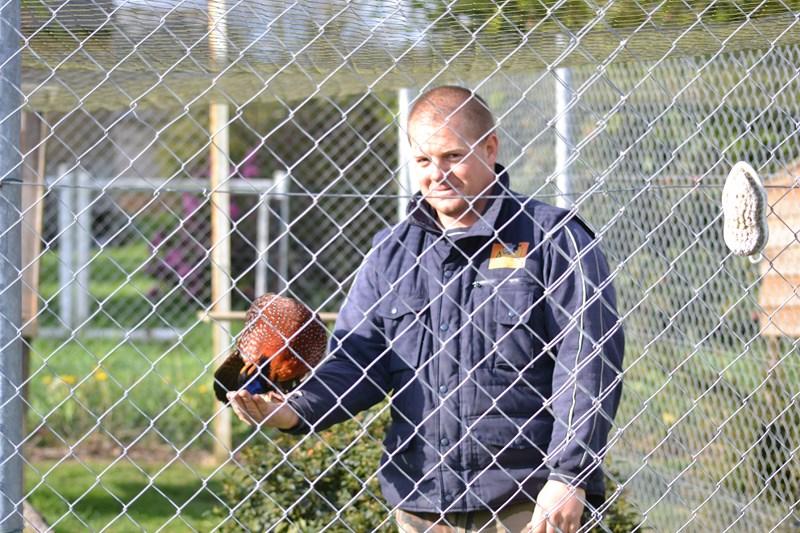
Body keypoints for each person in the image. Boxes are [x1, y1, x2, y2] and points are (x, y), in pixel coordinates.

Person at [227, 85, 625, 533]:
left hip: (527, 502)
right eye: (422, 160)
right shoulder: (390, 254)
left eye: (453, 156)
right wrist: (293, 411)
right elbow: (355, 363)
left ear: (490, 148)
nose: (438, 174)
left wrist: (569, 475)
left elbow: (588, 362)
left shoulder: (553, 240)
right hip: (422, 503)